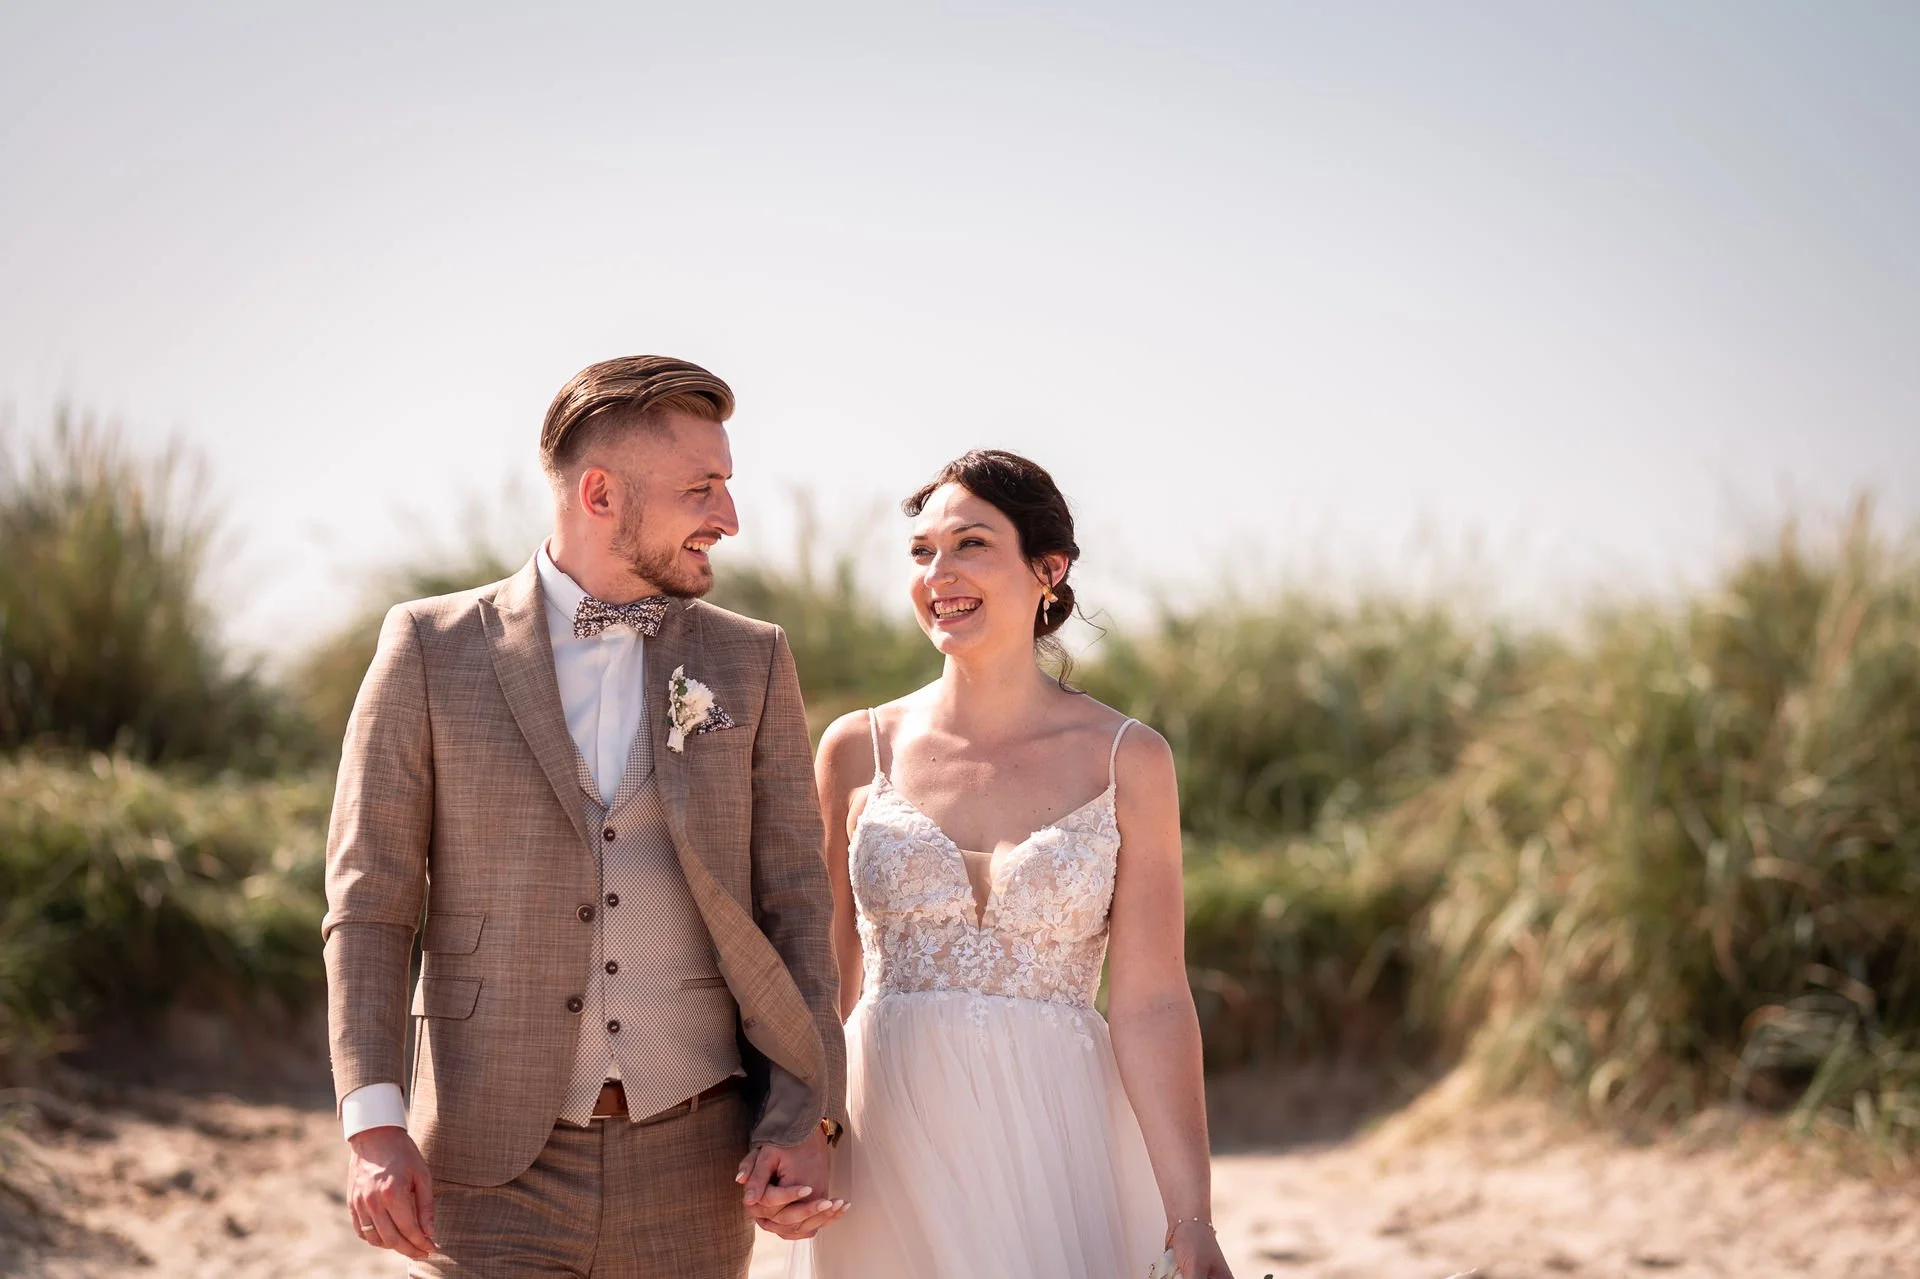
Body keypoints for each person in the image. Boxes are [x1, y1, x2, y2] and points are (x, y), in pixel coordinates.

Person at [323, 355, 848, 1278]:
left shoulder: (751, 660)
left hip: (698, 1163)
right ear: (600, 493)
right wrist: (374, 1124)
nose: (728, 518)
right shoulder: (430, 647)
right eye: (703, 488)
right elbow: (371, 905)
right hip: (487, 1170)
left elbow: (796, 907)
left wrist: (806, 1114)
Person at [792, 450, 1235, 1279]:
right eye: (921, 551)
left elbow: (1152, 1001)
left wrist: (1192, 1215)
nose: (939, 573)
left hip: (1058, 1140)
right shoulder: (857, 748)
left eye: (970, 545)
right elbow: (826, 980)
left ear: (1049, 568)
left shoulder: (1126, 759)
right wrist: (804, 1130)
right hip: (884, 1137)